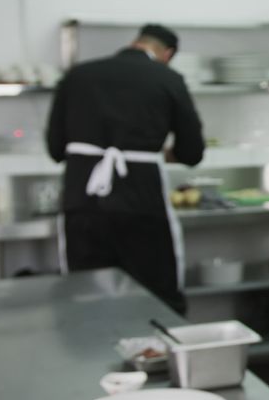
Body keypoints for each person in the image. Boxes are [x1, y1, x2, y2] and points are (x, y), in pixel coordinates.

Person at [46, 24, 205, 314]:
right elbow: (192, 151)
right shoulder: (167, 78)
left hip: (83, 195)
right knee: (154, 289)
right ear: (166, 54)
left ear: (135, 42)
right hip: (141, 196)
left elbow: (55, 147)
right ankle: (154, 355)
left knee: (85, 291)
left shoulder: (78, 74)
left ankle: (90, 356)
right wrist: (159, 152)